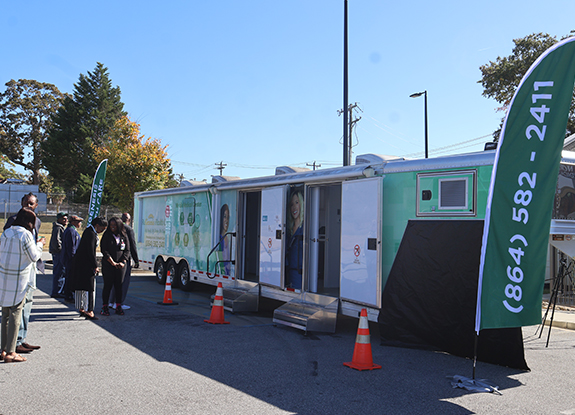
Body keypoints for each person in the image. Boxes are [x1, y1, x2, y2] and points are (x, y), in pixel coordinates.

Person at [0, 208, 44, 363]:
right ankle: (11, 352)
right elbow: (33, 256)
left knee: (5, 314)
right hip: (19, 280)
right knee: (15, 315)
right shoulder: (25, 235)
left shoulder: (6, 233)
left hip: (4, 278)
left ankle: (3, 349)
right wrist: (39, 245)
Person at [69, 217, 107, 320]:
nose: (101, 231)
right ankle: (88, 310)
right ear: (97, 225)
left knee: (81, 287)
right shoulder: (90, 233)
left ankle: (82, 308)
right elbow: (91, 252)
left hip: (81, 264)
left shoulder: (88, 231)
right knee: (89, 288)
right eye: (102, 229)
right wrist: (95, 265)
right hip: (86, 265)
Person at [100, 217, 130, 316]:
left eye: (114, 225)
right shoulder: (106, 235)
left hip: (120, 266)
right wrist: (112, 262)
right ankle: (105, 307)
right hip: (108, 265)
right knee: (108, 286)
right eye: (111, 225)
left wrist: (123, 261)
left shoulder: (123, 235)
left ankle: (118, 306)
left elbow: (127, 250)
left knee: (119, 286)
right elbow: (104, 250)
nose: (112, 227)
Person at [109, 213, 138, 310]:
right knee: (123, 282)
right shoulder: (129, 229)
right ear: (129, 220)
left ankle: (111, 301)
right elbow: (132, 246)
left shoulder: (114, 228)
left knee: (114, 281)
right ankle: (119, 302)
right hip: (125, 259)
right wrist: (136, 260)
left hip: (115, 258)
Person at [61, 215, 83, 302]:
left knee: (70, 276)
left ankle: (69, 293)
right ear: (73, 222)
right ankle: (68, 295)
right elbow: (71, 247)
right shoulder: (71, 231)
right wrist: (73, 258)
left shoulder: (73, 230)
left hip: (71, 259)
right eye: (78, 222)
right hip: (70, 259)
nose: (80, 223)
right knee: (69, 277)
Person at [285, 190, 304, 290]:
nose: (294, 207)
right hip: (289, 271)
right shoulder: (288, 229)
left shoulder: (305, 227)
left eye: (297, 202)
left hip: (300, 272)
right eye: (292, 204)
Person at [49, 212, 68, 298]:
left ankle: (58, 290)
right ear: (59, 219)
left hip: (58, 253)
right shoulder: (58, 228)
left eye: (66, 218)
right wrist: (61, 250)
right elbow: (56, 241)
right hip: (58, 253)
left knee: (60, 272)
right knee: (59, 272)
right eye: (63, 219)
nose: (66, 220)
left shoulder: (61, 227)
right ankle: (57, 291)